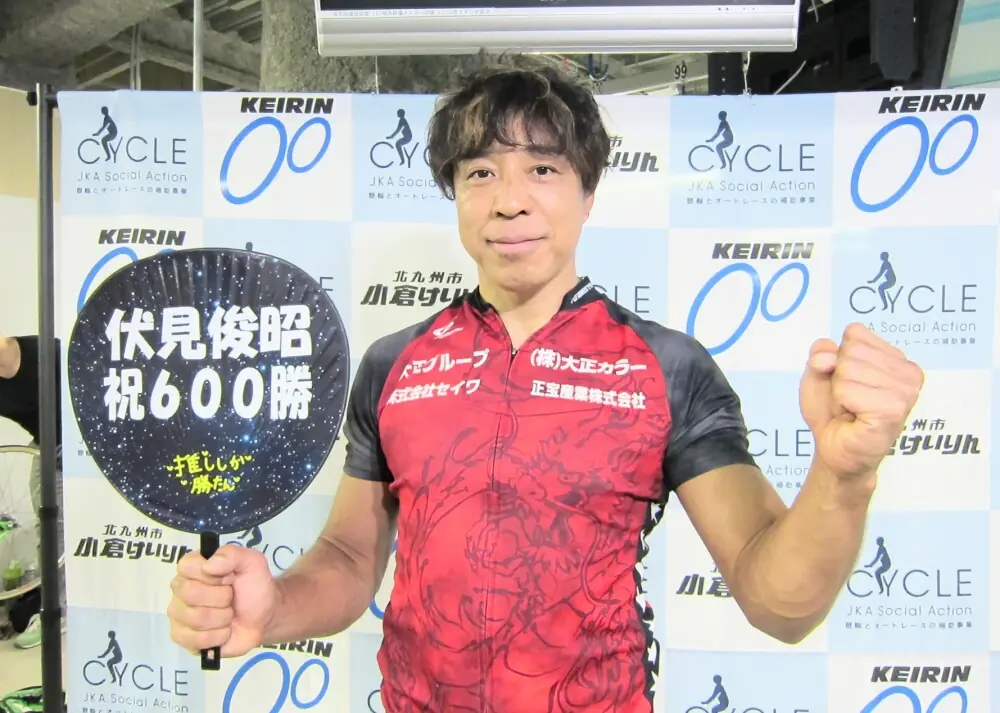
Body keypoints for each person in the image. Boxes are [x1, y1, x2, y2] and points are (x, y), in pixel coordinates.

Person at [166, 65, 923, 712]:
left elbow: (778, 601)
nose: (509, 199)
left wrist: (843, 475)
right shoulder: (393, 363)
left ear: (588, 194)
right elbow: (346, 554)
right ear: (454, 193)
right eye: (480, 172)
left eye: (542, 169)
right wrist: (274, 607)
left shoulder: (667, 366)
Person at [0, 334, 65, 650]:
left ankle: (61, 609)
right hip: (45, 446)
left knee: (62, 525)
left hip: (86, 443)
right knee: (48, 526)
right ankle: (54, 606)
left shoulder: (48, 352)